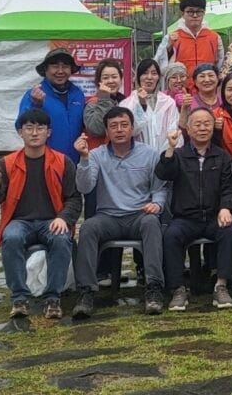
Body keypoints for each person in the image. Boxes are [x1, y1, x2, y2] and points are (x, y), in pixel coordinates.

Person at [0, 109, 82, 320]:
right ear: (20, 132)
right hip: (20, 221)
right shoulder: (6, 164)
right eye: (29, 128)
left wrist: (63, 218)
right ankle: (19, 297)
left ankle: (53, 298)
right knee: (12, 237)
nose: (34, 133)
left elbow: (74, 198)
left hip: (51, 220)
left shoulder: (63, 162)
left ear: (49, 132)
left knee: (61, 238)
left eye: (40, 128)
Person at [71, 107, 167, 319]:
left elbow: (159, 188)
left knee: (152, 223)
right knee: (88, 227)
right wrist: (84, 159)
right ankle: (86, 291)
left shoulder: (149, 154)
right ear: (106, 131)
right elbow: (85, 187)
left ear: (132, 128)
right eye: (113, 126)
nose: (119, 130)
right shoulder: (96, 155)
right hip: (109, 217)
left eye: (124, 125)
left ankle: (154, 288)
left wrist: (157, 205)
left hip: (139, 215)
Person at [155, 107, 232, 311]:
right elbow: (164, 173)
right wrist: (170, 148)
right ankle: (177, 289)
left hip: (213, 216)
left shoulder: (222, 157)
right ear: (188, 130)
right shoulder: (179, 155)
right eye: (197, 124)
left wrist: (226, 208)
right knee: (171, 235)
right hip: (186, 218)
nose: (202, 128)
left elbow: (230, 188)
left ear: (213, 128)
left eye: (207, 124)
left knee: (227, 231)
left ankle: (221, 285)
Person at [17, 48, 85, 163]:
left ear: (71, 69)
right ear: (45, 69)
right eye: (55, 66)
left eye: (65, 66)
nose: (60, 71)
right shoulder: (34, 94)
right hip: (46, 162)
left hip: (75, 161)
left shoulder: (77, 93)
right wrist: (36, 105)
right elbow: (20, 126)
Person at [156, 0, 225, 88]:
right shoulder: (171, 37)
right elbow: (161, 66)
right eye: (190, 12)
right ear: (182, 14)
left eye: (199, 11)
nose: (195, 15)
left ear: (204, 13)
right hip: (181, 90)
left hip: (207, 89)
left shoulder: (215, 37)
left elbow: (220, 64)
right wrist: (168, 48)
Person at [121, 59, 180, 153]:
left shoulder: (168, 102)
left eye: (154, 73)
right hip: (137, 159)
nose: (149, 77)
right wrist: (141, 104)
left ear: (158, 77)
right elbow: (130, 131)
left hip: (164, 159)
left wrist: (165, 156)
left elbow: (173, 130)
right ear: (138, 77)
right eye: (145, 73)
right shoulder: (127, 103)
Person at [82, 58, 126, 150]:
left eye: (114, 77)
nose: (110, 81)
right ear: (99, 82)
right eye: (105, 78)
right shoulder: (92, 104)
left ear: (120, 79)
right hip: (98, 159)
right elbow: (97, 130)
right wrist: (104, 100)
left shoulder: (125, 102)